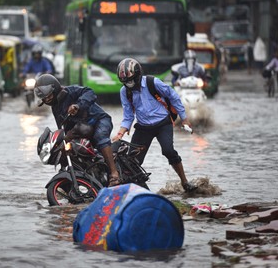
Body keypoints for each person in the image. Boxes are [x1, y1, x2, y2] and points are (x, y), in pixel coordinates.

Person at [111, 58, 197, 192]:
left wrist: (184, 118)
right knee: (132, 161)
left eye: (131, 81)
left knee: (168, 151)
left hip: (163, 123)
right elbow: (128, 116)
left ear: (138, 75)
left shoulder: (153, 82)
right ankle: (137, 191)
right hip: (143, 127)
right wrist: (120, 133)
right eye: (125, 82)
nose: (129, 85)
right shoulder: (125, 92)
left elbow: (173, 96)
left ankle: (184, 182)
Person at [34, 74, 121, 187]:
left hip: (99, 121)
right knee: (69, 150)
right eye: (44, 98)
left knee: (100, 137)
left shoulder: (71, 91)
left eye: (48, 96)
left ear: (55, 88)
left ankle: (114, 174)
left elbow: (90, 92)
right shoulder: (55, 107)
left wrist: (78, 105)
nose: (47, 99)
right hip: (81, 130)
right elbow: (62, 127)